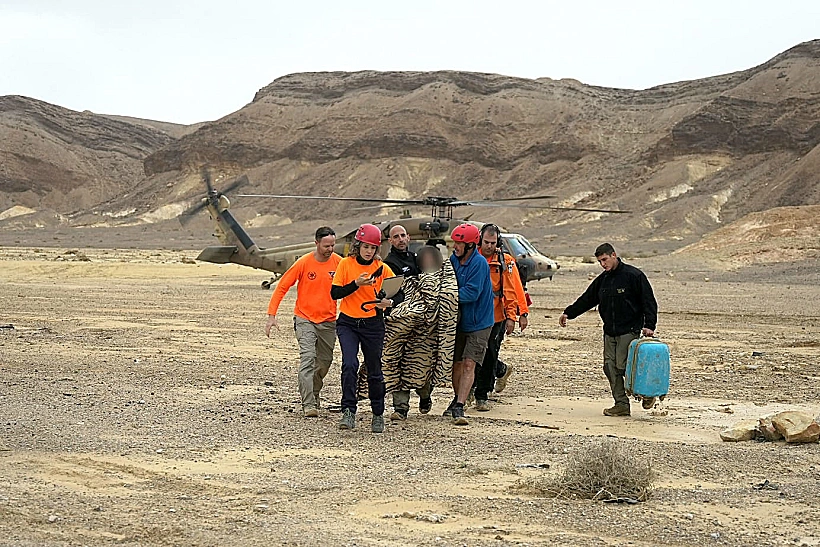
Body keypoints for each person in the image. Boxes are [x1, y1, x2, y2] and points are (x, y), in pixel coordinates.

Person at [559, 243, 658, 417]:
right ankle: (621, 404)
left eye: (605, 260)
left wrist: (649, 325)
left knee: (625, 367)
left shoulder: (633, 276)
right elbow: (588, 299)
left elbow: (648, 301)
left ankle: (647, 394)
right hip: (609, 331)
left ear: (614, 255)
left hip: (629, 330)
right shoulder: (603, 279)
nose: (603, 264)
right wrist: (569, 313)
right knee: (609, 367)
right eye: (599, 262)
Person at [265, 226, 342, 417]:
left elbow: (354, 283)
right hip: (305, 319)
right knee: (308, 358)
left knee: (324, 362)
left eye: (332, 245)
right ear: (316, 243)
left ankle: (314, 394)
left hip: (328, 321)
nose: (330, 249)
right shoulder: (304, 263)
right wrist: (271, 315)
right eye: (326, 246)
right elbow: (282, 286)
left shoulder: (339, 263)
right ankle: (308, 404)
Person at [330, 224, 395, 433]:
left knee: (375, 370)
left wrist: (389, 303)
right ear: (357, 246)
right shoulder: (345, 265)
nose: (369, 251)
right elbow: (335, 293)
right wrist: (356, 284)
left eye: (373, 248)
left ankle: (378, 413)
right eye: (365, 247)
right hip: (348, 323)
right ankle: (348, 410)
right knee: (349, 364)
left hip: (373, 325)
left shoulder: (382, 268)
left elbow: (397, 291)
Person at [383, 246, 458, 421]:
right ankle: (400, 408)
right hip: (405, 332)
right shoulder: (405, 275)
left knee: (422, 371)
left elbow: (450, 300)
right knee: (400, 368)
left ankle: (425, 396)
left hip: (427, 335)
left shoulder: (444, 279)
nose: (428, 263)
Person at [445, 224, 494, 426]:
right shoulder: (453, 260)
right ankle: (458, 399)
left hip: (479, 322)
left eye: (459, 243)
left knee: (468, 363)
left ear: (470, 245)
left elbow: (471, 293)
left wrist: (445, 295)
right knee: (455, 363)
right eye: (455, 242)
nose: (455, 246)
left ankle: (459, 405)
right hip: (459, 322)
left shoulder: (479, 264)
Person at [383, 225, 431, 420]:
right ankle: (400, 407)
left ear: (409, 237)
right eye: (396, 236)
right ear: (390, 241)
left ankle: (425, 394)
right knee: (399, 362)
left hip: (420, 319)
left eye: (403, 235)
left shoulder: (416, 259)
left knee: (421, 359)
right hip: (398, 320)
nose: (401, 239)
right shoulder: (388, 264)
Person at [472, 224, 521, 411]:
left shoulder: (505, 261)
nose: (489, 246)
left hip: (496, 317)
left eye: (493, 243)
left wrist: (512, 317)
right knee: (472, 354)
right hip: (475, 316)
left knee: (490, 354)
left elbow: (511, 290)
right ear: (479, 240)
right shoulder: (471, 258)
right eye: (486, 242)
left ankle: (482, 394)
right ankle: (499, 372)